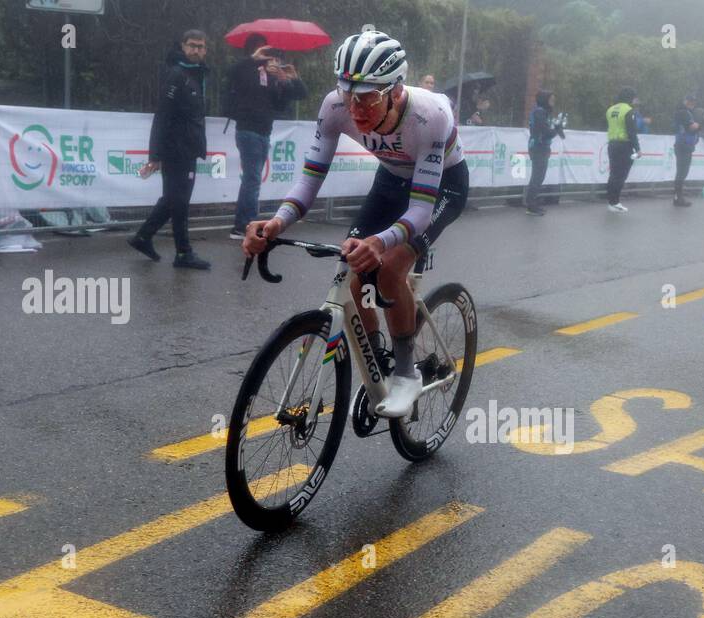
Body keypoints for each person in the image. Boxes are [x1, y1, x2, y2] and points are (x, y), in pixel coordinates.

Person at [243, 29, 469, 419]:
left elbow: (418, 211)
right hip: (391, 180)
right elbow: (310, 177)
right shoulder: (335, 107)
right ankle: (378, 356)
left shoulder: (429, 115)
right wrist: (279, 222)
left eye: (367, 98)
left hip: (442, 187)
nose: (355, 108)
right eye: (348, 94)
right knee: (353, 267)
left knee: (391, 267)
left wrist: (382, 243)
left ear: (396, 92)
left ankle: (405, 372)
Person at [129, 30, 212, 270]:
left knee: (173, 199)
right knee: (180, 201)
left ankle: (143, 238)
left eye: (200, 46)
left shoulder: (196, 74)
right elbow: (162, 115)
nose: (196, 50)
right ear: (183, 46)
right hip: (177, 150)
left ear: (205, 50)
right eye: (192, 45)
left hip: (188, 147)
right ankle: (183, 253)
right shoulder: (177, 74)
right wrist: (155, 155)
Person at [227, 34, 305, 239]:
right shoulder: (245, 71)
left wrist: (290, 78)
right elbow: (231, 72)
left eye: (269, 53)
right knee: (252, 179)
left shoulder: (272, 77)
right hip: (247, 130)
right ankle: (245, 225)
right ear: (253, 52)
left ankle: (243, 224)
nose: (267, 57)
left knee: (253, 180)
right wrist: (253, 59)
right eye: (262, 52)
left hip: (263, 132)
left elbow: (298, 95)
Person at [525, 89, 563, 216]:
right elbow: (545, 132)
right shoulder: (540, 112)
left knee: (538, 176)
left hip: (541, 147)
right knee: (537, 177)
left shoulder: (543, 112)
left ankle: (532, 203)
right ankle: (531, 205)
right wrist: (557, 130)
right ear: (544, 99)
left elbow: (546, 131)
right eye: (551, 99)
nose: (553, 102)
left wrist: (556, 129)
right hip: (538, 147)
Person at [604, 87, 641, 212]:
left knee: (613, 173)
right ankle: (615, 202)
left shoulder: (610, 109)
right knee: (621, 175)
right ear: (630, 97)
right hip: (624, 145)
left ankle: (611, 201)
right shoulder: (629, 110)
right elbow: (632, 131)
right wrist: (638, 149)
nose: (636, 100)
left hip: (612, 143)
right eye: (634, 97)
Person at [672, 93, 701, 207]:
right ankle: (678, 197)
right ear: (685, 101)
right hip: (682, 145)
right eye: (689, 102)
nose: (692, 104)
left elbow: (693, 128)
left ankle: (678, 196)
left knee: (683, 172)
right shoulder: (683, 112)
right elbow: (692, 127)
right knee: (681, 172)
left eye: (693, 102)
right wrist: (699, 125)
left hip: (685, 145)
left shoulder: (686, 112)